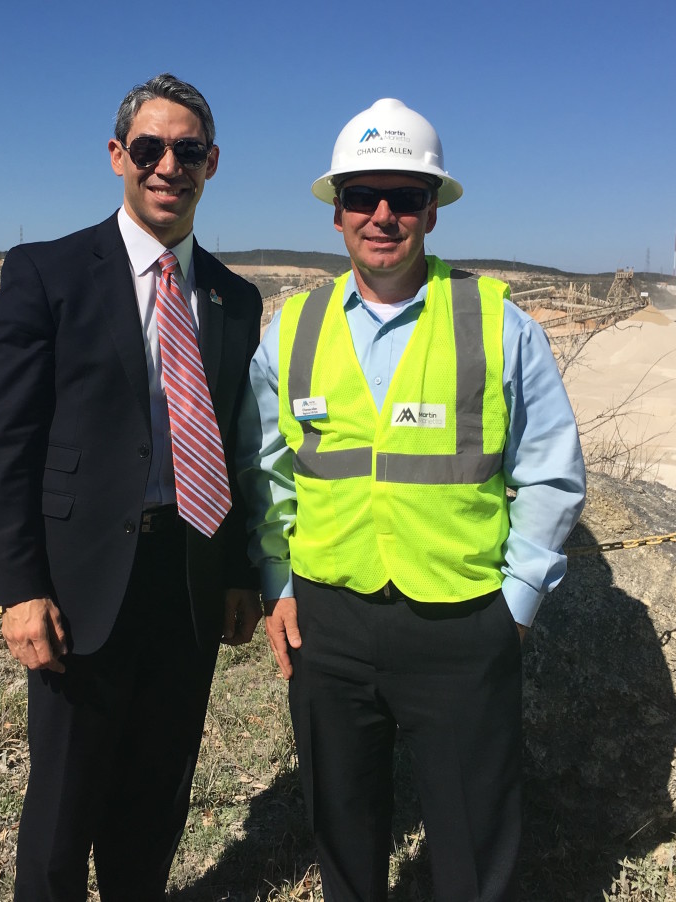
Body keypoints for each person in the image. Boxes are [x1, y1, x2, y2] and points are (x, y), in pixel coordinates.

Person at [236, 98, 586, 901]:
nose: (383, 215)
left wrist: (518, 601)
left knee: (470, 841)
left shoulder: (497, 323)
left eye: (405, 197)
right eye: (363, 196)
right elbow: (268, 472)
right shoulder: (295, 330)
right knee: (344, 829)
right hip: (330, 619)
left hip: (463, 621)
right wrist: (278, 582)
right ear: (337, 214)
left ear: (433, 210)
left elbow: (551, 471)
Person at [0, 73, 263, 901]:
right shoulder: (47, 274)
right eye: (149, 148)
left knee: (157, 799)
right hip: (80, 585)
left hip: (190, 582)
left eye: (188, 150)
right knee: (63, 812)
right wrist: (19, 588)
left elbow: (237, 444)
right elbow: (3, 443)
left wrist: (238, 570)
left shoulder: (236, 300)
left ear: (212, 163)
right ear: (117, 156)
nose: (169, 165)